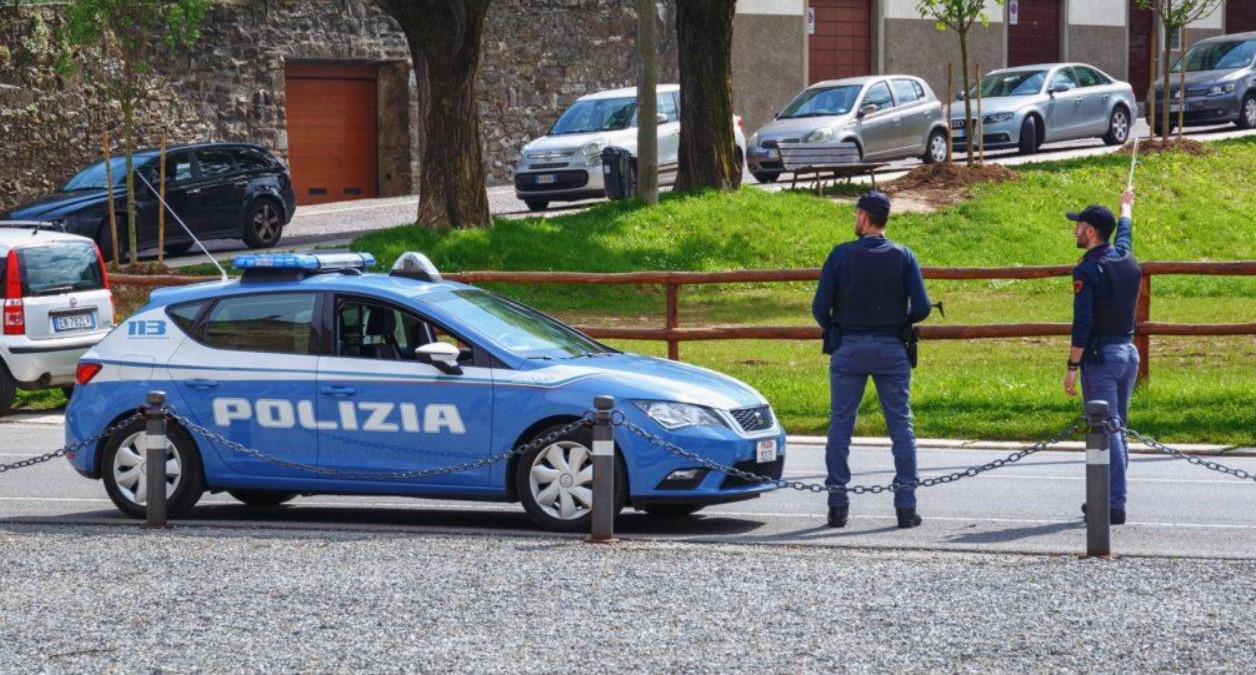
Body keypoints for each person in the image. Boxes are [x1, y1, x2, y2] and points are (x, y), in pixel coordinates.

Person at [812, 191, 932, 529]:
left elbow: (819, 309)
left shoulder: (840, 256)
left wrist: (836, 328)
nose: (854, 219)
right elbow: (921, 307)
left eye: (856, 214)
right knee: (901, 426)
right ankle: (906, 506)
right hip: (892, 347)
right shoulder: (903, 256)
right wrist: (901, 320)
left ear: (864, 217)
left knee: (840, 425)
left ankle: (838, 505)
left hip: (848, 347)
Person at [1063, 190, 1140, 525]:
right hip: (1128, 353)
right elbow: (1125, 235)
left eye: (1079, 225)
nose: (1075, 231)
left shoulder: (1087, 271)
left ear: (1091, 231)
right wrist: (1126, 208)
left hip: (1101, 358)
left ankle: (1112, 504)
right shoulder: (1125, 258)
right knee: (1117, 428)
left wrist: (1071, 367)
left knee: (1106, 430)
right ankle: (1109, 496)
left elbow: (1083, 323)